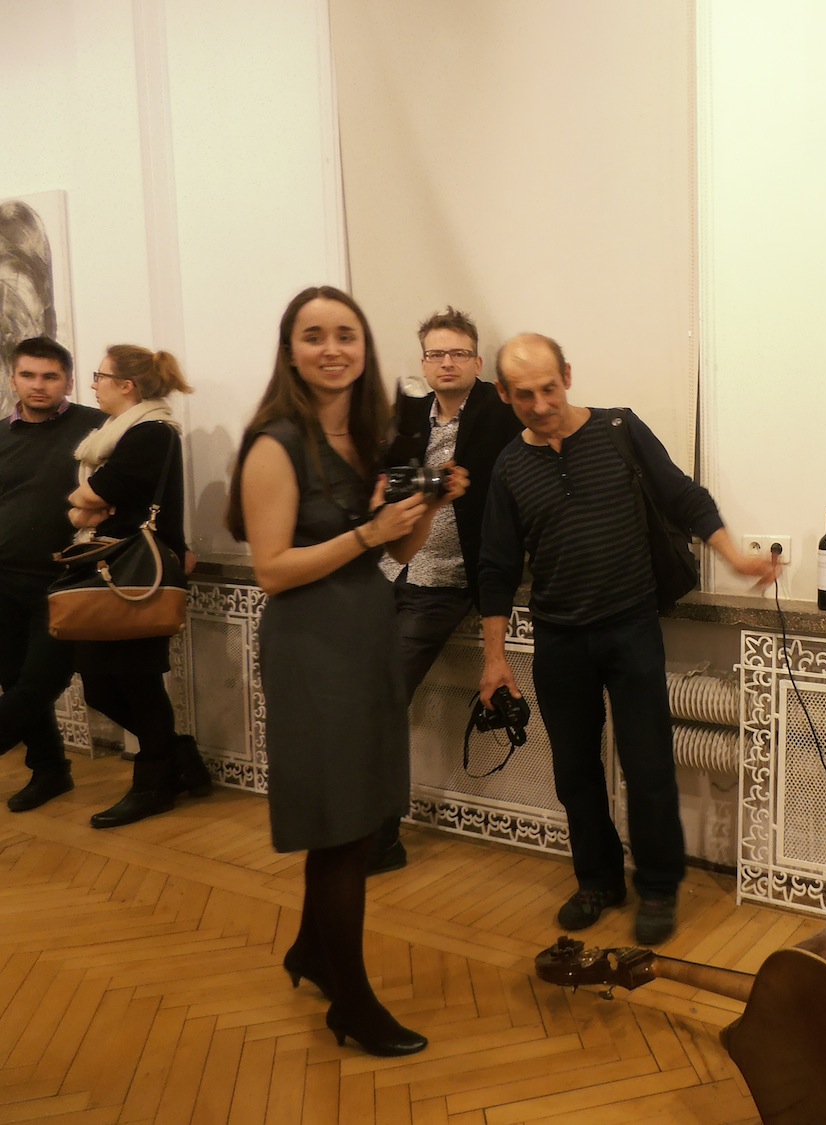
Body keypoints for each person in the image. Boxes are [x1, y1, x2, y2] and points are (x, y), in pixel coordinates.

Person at [225, 285, 467, 1058]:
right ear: (291, 350)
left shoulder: (365, 440)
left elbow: (396, 550)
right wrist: (370, 531)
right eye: (314, 335)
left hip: (364, 633)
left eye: (346, 335)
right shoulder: (275, 444)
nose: (332, 348)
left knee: (358, 816)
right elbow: (272, 569)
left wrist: (426, 508)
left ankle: (311, 950)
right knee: (342, 827)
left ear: (364, 349)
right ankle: (352, 1002)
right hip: (312, 646)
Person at [476, 333, 778, 945]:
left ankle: (659, 887)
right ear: (505, 394)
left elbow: (684, 497)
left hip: (631, 628)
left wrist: (735, 556)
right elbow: (496, 568)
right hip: (558, 639)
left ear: (567, 375)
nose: (541, 405)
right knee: (575, 772)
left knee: (648, 765)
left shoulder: (619, 429)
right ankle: (598, 881)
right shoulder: (509, 466)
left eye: (549, 388)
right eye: (525, 395)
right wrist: (493, 659)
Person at [370, 306, 521, 873]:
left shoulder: (499, 414)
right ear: (424, 363)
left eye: (458, 353)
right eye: (436, 354)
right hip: (389, 571)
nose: (447, 363)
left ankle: (380, 839)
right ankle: (357, 825)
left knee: (382, 698)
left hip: (447, 580)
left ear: (478, 362)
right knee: (359, 696)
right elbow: (385, 481)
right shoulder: (409, 415)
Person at [66, 345, 212, 828]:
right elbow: (88, 502)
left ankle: (154, 785)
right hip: (112, 570)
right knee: (101, 685)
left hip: (136, 574)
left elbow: (90, 494)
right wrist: (85, 508)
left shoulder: (150, 433)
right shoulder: (121, 433)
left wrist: (84, 505)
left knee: (137, 682)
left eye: (99, 375)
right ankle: (178, 758)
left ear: (126, 386)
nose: (93, 385)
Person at [0, 337, 103, 811]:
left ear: (68, 381)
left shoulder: (97, 428)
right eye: (28, 375)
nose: (38, 385)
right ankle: (50, 770)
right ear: (13, 378)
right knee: (13, 676)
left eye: (49, 376)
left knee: (40, 681)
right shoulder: (1, 435)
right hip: (4, 577)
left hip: (66, 578)